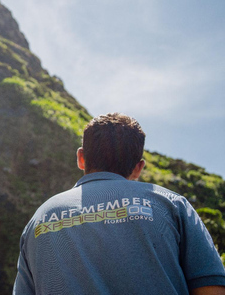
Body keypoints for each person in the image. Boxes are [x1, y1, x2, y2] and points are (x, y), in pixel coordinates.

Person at [13, 113, 225, 295]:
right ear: (138, 167)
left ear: (81, 158)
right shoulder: (171, 204)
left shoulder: (39, 219)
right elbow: (211, 286)